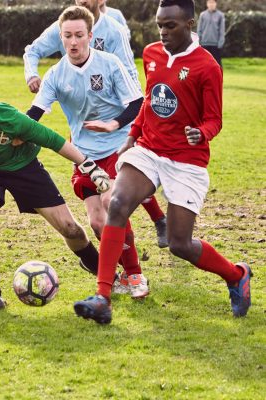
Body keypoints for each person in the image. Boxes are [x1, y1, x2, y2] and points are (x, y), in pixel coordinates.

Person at [73, 0, 252, 324]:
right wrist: (131, 138)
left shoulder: (207, 66)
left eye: (171, 26)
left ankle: (236, 275)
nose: (163, 32)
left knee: (180, 244)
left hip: (186, 160)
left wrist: (201, 133)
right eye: (160, 25)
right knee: (117, 203)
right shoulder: (153, 54)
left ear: (190, 24)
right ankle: (103, 297)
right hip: (149, 149)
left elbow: (215, 119)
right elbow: (149, 101)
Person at [0, 84, 111, 309]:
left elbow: (50, 138)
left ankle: (99, 271)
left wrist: (87, 165)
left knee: (70, 229)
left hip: (24, 166)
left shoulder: (4, 116)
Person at [27, 5, 149, 297]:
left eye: (79, 35)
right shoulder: (56, 74)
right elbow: (35, 113)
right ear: (61, 37)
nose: (73, 42)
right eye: (67, 36)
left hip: (118, 147)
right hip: (83, 155)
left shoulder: (109, 64)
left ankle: (135, 276)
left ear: (90, 36)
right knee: (96, 221)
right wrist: (11, 133)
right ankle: (117, 274)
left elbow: (137, 103)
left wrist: (113, 124)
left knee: (111, 202)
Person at [197, 0, 225, 66]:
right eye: (209, 2)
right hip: (204, 44)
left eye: (213, 2)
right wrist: (199, 42)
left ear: (216, 3)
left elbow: (222, 30)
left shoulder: (220, 15)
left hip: (216, 45)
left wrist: (220, 43)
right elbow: (199, 30)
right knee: (204, 64)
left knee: (217, 65)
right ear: (207, 4)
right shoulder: (202, 15)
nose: (211, 4)